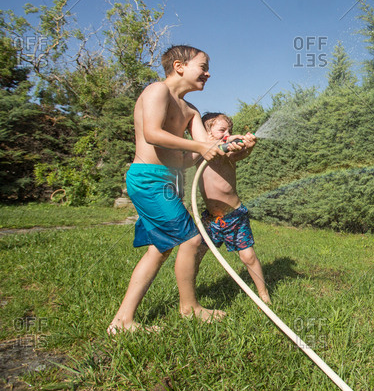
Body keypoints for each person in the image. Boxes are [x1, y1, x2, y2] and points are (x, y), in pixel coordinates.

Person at [107, 45, 244, 334]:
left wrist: (230, 144)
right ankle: (189, 308)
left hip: (170, 182)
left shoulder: (190, 110)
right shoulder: (157, 91)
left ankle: (123, 321)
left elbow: (203, 148)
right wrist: (201, 146)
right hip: (148, 178)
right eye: (203, 66)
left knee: (161, 248)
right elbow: (152, 133)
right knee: (192, 240)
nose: (208, 73)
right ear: (180, 66)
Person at [198, 112, 271, 304]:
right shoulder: (200, 153)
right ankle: (192, 293)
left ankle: (263, 293)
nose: (227, 133)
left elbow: (240, 153)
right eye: (222, 130)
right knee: (195, 255)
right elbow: (209, 147)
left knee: (248, 257)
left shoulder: (228, 155)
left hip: (234, 216)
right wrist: (227, 139)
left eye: (229, 130)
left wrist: (249, 146)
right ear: (205, 133)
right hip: (211, 218)